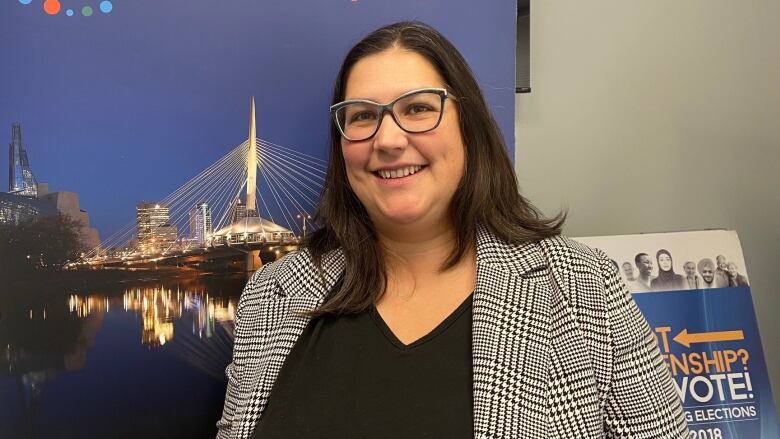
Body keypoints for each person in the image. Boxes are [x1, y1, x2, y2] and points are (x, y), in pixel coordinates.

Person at [217, 21, 687, 439]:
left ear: (469, 126)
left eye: (418, 108)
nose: (388, 139)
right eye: (362, 116)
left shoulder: (585, 290)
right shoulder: (270, 298)